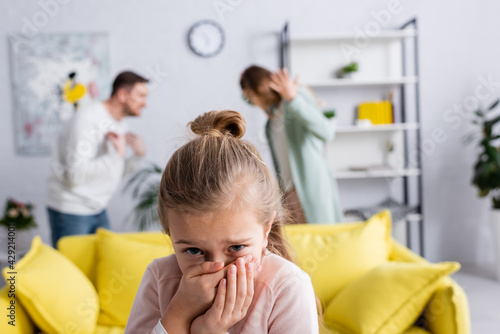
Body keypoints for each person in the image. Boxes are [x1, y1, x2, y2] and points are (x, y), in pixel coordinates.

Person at [125, 110, 319, 334]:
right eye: (193, 250)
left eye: (236, 247)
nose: (217, 268)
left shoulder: (287, 286)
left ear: (266, 230)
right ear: (170, 233)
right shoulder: (160, 278)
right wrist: (178, 313)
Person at [46, 71, 149, 247]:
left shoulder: (120, 124)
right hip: (73, 210)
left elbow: (112, 172)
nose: (144, 103)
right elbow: (74, 176)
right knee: (72, 273)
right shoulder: (88, 119)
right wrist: (116, 154)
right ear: (122, 94)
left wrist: (137, 156)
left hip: (98, 208)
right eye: (140, 95)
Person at [240, 65, 343, 224]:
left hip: (311, 189)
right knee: (297, 247)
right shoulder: (272, 121)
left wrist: (293, 99)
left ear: (259, 88)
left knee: (322, 243)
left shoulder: (296, 98)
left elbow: (326, 132)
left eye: (249, 96)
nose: (251, 102)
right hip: (290, 195)